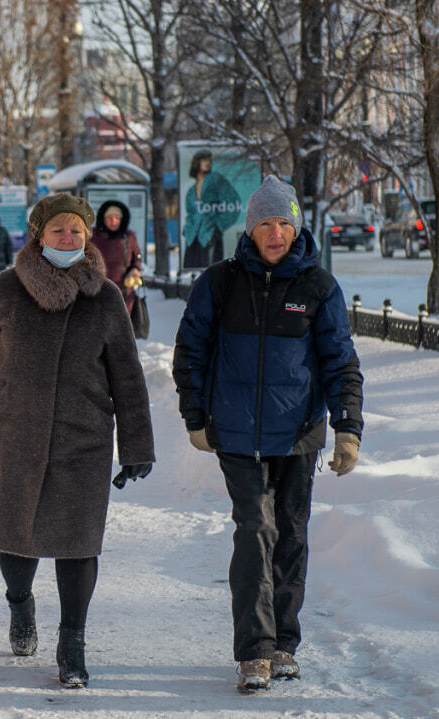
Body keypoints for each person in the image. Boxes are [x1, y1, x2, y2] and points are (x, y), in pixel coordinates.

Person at [0, 192, 155, 689]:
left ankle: (72, 642)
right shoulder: (5, 289)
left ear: (88, 238)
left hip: (82, 440)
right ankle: (20, 605)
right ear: (39, 235)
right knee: (15, 539)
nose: (69, 238)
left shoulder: (105, 297)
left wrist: (136, 447)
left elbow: (127, 377)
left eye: (78, 231)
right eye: (59, 230)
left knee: (79, 543)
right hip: (12, 434)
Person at [172, 175, 364, 694]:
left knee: (292, 537)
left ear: (296, 227)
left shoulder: (318, 288)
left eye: (283, 222)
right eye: (265, 224)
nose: (275, 233)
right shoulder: (220, 282)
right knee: (255, 531)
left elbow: (341, 361)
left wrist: (347, 427)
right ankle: (254, 652)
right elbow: (189, 351)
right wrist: (195, 416)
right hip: (235, 432)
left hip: (299, 434)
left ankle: (285, 645)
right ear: (251, 230)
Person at [182, 150, 242, 269]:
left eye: (209, 160)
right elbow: (191, 212)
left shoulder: (216, 179)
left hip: (210, 235)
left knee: (211, 272)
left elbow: (234, 201)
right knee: (191, 272)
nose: (208, 163)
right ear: (197, 162)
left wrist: (219, 225)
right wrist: (188, 227)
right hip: (192, 237)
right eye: (204, 160)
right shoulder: (191, 191)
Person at [88, 200, 143, 317]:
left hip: (124, 290)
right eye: (110, 218)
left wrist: (135, 269)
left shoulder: (128, 236)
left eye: (117, 217)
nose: (113, 221)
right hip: (98, 289)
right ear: (103, 218)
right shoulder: (93, 236)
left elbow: (137, 256)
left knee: (121, 324)